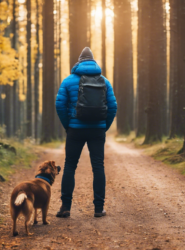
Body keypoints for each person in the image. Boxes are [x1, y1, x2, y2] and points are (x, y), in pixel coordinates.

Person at [55, 47, 117, 218]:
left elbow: (59, 104)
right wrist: (104, 126)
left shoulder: (68, 81)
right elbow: (113, 106)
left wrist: (68, 125)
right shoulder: (104, 81)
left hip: (75, 130)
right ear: (93, 61)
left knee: (69, 166)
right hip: (97, 129)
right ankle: (99, 208)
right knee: (98, 167)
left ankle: (65, 207)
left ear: (79, 61)